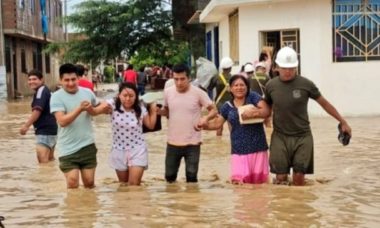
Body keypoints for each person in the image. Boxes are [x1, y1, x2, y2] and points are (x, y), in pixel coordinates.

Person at [265, 46, 352, 186]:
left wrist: (343, 122)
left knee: (298, 180)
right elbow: (265, 108)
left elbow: (324, 104)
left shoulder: (306, 84)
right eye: (285, 68)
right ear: (276, 67)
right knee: (280, 179)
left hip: (302, 137)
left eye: (291, 68)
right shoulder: (270, 86)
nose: (288, 71)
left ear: (296, 67)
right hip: (279, 136)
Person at [50, 63, 109, 189]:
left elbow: (100, 108)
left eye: (73, 79)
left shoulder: (87, 92)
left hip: (87, 144)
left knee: (89, 183)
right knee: (72, 183)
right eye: (66, 80)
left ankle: (88, 208)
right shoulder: (56, 97)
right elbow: (62, 121)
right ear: (60, 80)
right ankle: (72, 208)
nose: (71, 83)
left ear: (78, 78)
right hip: (67, 148)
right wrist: (80, 109)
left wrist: (102, 108)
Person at [203, 74, 271, 184]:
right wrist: (202, 125)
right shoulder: (227, 106)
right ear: (230, 88)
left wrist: (254, 113)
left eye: (242, 85)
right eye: (236, 85)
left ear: (247, 87)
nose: (239, 88)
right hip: (238, 150)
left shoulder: (253, 98)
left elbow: (267, 111)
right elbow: (217, 124)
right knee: (239, 183)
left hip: (257, 148)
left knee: (259, 186)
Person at [159, 63, 217, 183]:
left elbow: (214, 110)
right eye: (176, 79)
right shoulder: (168, 92)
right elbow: (167, 112)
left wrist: (205, 119)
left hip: (193, 143)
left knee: (191, 179)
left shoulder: (198, 93)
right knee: (169, 178)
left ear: (189, 78)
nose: (179, 83)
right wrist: (157, 111)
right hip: (172, 142)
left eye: (182, 79)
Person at [98, 82, 157, 185]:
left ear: (136, 97)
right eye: (125, 95)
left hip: (138, 149)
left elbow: (151, 125)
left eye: (131, 96)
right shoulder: (112, 105)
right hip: (118, 150)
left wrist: (153, 108)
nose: (128, 99)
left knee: (134, 185)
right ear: (119, 95)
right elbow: (98, 109)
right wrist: (91, 109)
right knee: (123, 185)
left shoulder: (140, 108)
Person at [19, 69, 57, 163]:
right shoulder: (45, 90)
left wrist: (26, 126)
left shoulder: (41, 91)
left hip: (44, 131)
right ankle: (53, 177)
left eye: (34, 79)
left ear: (42, 80)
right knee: (50, 161)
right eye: (30, 79)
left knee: (43, 163)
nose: (31, 82)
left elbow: (37, 110)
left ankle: (45, 178)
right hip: (52, 130)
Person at [208, 56, 233, 136]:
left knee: (219, 125)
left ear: (222, 68)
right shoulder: (234, 78)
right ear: (230, 67)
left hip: (219, 104)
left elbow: (210, 88)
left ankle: (218, 139)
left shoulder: (216, 78)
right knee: (231, 124)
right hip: (231, 104)